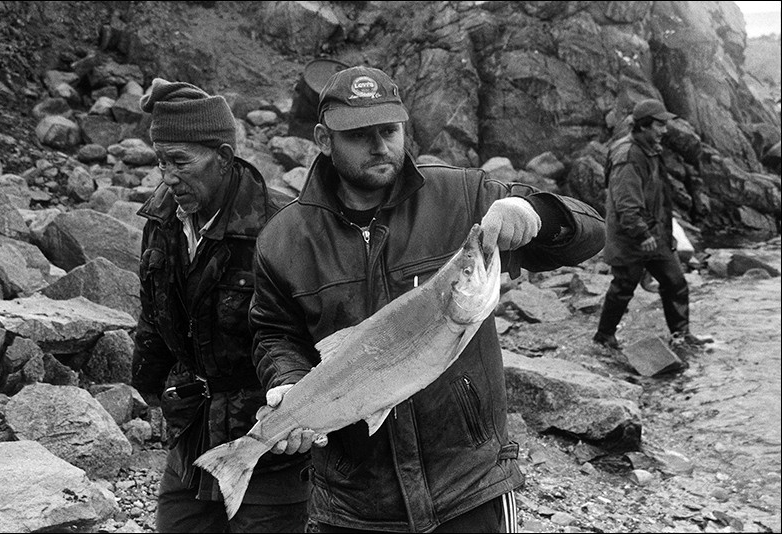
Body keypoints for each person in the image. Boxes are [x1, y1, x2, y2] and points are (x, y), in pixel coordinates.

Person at [249, 65, 606, 532]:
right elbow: (274, 334)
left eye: (390, 130)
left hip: (469, 486)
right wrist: (289, 382)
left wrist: (537, 213)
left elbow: (592, 232)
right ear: (322, 138)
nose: (380, 145)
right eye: (360, 134)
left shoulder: (462, 194)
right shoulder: (284, 239)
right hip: (354, 502)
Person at [131, 78, 309, 533]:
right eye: (160, 162)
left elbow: (313, 339)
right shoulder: (163, 220)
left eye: (180, 162)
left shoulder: (283, 228)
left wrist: (302, 416)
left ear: (224, 158)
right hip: (193, 433)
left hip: (268, 443)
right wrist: (146, 388)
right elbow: (154, 316)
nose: (167, 177)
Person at [593, 98, 712, 352]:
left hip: (654, 234)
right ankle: (604, 337)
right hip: (632, 235)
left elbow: (659, 197)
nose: (665, 130)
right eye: (660, 125)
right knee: (623, 287)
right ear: (645, 126)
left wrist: (663, 232)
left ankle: (681, 335)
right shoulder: (627, 155)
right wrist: (641, 232)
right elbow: (626, 203)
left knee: (676, 282)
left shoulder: (650, 148)